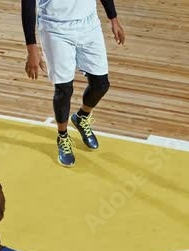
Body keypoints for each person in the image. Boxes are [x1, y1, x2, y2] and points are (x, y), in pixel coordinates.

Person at [22, 0, 126, 167]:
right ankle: (62, 136)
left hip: (89, 23)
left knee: (101, 84)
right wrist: (32, 49)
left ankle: (81, 117)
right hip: (55, 28)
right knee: (64, 89)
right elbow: (27, 3)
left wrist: (113, 18)